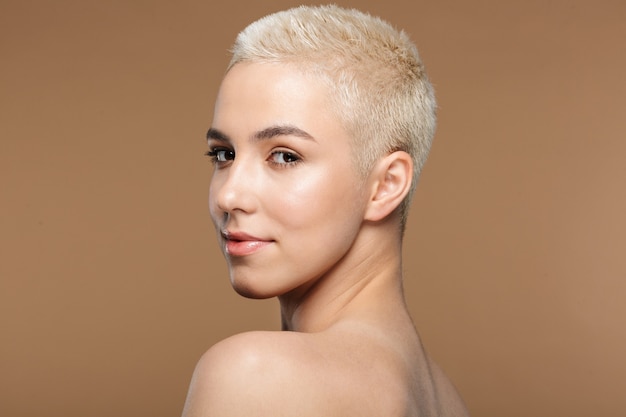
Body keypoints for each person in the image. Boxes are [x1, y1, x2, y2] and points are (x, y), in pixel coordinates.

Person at [182, 5, 469, 416]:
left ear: (385, 185)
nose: (229, 196)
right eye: (224, 154)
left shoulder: (254, 376)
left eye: (284, 156)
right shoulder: (443, 398)